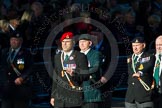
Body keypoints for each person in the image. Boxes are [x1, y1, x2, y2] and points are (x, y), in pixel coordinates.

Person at [50, 32, 89, 108]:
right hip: (60, 98)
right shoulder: (57, 57)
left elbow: (86, 75)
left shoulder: (80, 56)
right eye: (63, 42)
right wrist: (53, 95)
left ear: (73, 42)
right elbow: (55, 78)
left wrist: (74, 74)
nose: (64, 44)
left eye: (67, 42)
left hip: (74, 97)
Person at [0, 31, 33, 108]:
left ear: (21, 41)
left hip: (20, 89)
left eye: (16, 40)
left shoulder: (26, 53)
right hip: (6, 89)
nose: (13, 42)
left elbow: (31, 68)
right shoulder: (5, 52)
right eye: (12, 39)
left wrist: (22, 77)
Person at [125, 37, 155, 108]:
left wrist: (140, 72)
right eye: (133, 46)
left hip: (144, 96)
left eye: (137, 45)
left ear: (143, 45)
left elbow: (148, 66)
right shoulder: (130, 58)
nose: (135, 48)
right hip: (130, 96)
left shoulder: (149, 56)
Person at [78, 34, 107, 108]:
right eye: (80, 42)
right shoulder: (75, 55)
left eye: (84, 41)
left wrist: (80, 73)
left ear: (90, 43)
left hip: (91, 92)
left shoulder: (96, 54)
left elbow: (95, 68)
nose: (81, 44)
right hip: (78, 94)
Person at [153, 35, 162, 108]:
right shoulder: (152, 57)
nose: (158, 47)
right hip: (153, 89)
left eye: (161, 45)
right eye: (157, 45)